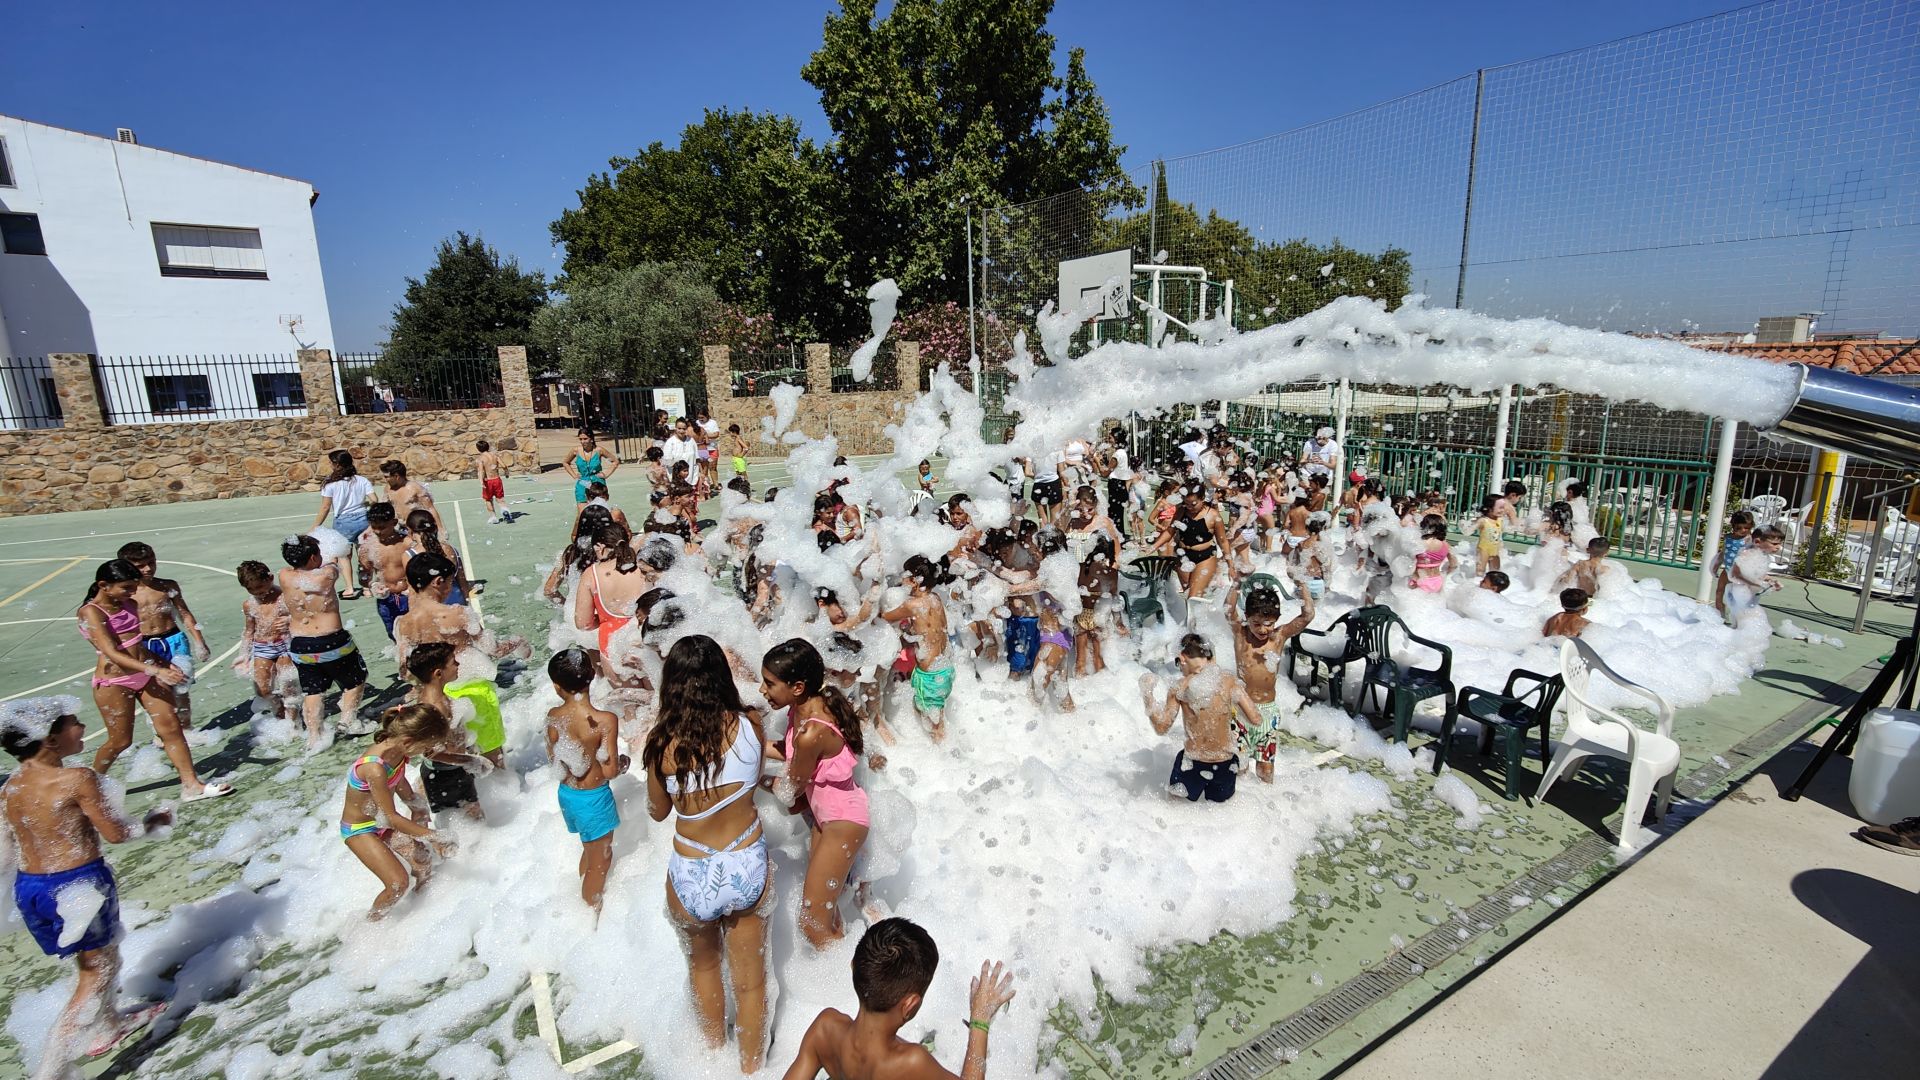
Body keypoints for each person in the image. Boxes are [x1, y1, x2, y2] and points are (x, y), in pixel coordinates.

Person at [1, 696, 174, 1068]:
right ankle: (52, 1071)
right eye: (74, 722)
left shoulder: (9, 788)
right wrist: (152, 822)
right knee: (97, 973)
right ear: (49, 739)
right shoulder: (76, 778)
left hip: (31, 889)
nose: (82, 727)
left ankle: (109, 1024)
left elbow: (5, 854)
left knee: (94, 962)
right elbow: (115, 833)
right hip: (77, 886)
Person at [643, 635, 771, 1073]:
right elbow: (752, 780)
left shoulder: (661, 744)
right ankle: (753, 1069)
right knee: (751, 985)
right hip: (746, 859)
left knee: (704, 969)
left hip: (691, 868)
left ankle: (711, 1060)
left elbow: (658, 813)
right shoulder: (751, 723)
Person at [780, 917, 1018, 1080]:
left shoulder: (825, 1029)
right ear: (910, 1004)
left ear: (853, 968)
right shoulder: (911, 1063)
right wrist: (980, 1020)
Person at [77, 561, 231, 801]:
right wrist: (156, 672)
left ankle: (191, 786)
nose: (132, 593)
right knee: (120, 741)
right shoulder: (91, 612)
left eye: (133, 587)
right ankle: (90, 784)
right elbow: (112, 652)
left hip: (146, 673)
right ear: (103, 586)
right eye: (126, 588)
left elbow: (136, 645)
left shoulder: (129, 603)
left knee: (171, 729)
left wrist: (162, 663)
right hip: (115, 682)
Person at [763, 639, 871, 949]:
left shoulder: (813, 731)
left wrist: (757, 780)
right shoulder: (801, 709)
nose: (762, 690)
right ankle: (844, 967)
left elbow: (791, 788)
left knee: (812, 923)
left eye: (770, 683)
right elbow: (789, 755)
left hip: (842, 822)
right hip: (827, 820)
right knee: (826, 913)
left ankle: (851, 985)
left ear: (797, 687)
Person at [338, 703, 457, 919]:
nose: (427, 752)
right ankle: (370, 927)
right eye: (426, 747)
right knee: (397, 884)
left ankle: (421, 912)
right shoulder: (373, 768)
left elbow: (400, 783)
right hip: (359, 829)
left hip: (379, 822)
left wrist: (415, 804)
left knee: (423, 860)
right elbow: (391, 818)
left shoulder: (399, 753)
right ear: (410, 742)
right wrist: (434, 836)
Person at [1140, 633, 1266, 803]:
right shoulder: (1229, 681)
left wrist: (1147, 694)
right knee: (1220, 817)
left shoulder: (1180, 687)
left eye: (1178, 663)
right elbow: (1256, 718)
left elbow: (1162, 728)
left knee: (1175, 811)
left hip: (1193, 763)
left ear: (1182, 657)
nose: (1180, 668)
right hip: (1226, 763)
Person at [546, 647, 626, 913]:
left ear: (557, 687)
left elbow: (554, 758)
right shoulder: (605, 720)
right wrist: (622, 764)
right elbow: (610, 771)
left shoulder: (553, 717)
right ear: (593, 675)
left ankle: (581, 893)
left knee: (589, 851)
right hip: (593, 798)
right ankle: (587, 916)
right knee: (600, 862)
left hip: (568, 795)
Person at [281, 534, 371, 750]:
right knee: (355, 680)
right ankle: (348, 720)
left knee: (313, 691)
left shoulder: (284, 575)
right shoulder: (326, 575)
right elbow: (333, 565)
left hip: (300, 644)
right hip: (331, 641)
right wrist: (332, 553)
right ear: (313, 558)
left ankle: (315, 736)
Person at [116, 542, 210, 730]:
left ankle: (186, 729)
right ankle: (162, 732)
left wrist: (199, 642)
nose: (148, 568)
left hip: (174, 640)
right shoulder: (127, 595)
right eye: (141, 565)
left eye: (151, 562)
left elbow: (184, 614)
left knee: (182, 687)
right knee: (158, 690)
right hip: (146, 645)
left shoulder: (167, 586)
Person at [1227, 587, 1313, 784]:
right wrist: (1237, 582)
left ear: (1277, 619)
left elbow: (1308, 615)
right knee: (1239, 768)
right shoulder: (1241, 635)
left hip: (1268, 713)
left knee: (1266, 771)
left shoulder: (1278, 637)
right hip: (1240, 712)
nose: (1262, 629)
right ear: (1246, 617)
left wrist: (1301, 584)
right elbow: (1228, 609)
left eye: (1268, 624)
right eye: (1256, 623)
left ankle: (1266, 804)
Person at [878, 556, 954, 742]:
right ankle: (941, 747)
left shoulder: (912, 605)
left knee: (934, 725)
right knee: (936, 714)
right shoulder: (935, 599)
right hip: (945, 669)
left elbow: (884, 616)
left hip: (929, 676)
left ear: (914, 580)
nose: (901, 578)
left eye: (905, 575)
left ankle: (941, 755)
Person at [236, 561, 296, 722]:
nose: (257, 593)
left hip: (285, 645)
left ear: (270, 578)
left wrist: (290, 620)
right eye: (251, 590)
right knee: (262, 689)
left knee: (288, 685)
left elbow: (303, 615)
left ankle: (292, 723)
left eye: (260, 587)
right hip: (262, 647)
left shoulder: (283, 597)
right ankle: (279, 710)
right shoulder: (249, 604)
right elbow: (249, 631)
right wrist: (244, 655)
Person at [311, 449, 373, 599]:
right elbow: (374, 499)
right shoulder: (362, 480)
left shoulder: (330, 484)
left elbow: (325, 507)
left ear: (337, 464)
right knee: (363, 555)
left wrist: (316, 526)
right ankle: (367, 588)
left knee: (344, 556)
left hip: (343, 522)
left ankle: (350, 588)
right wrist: (363, 503)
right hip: (363, 519)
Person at [358, 502, 412, 640]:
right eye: (374, 527)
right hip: (386, 599)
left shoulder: (407, 543)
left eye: (382, 527)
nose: (377, 531)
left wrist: (413, 587)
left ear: (394, 522)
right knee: (395, 635)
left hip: (411, 595)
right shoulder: (367, 548)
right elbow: (364, 576)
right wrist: (372, 585)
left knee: (418, 633)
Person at [1172, 486, 1230, 605]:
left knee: (1194, 597)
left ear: (1202, 498)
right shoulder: (1181, 511)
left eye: (1193, 504)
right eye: (1186, 504)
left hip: (1205, 557)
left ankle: (1201, 622)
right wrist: (1153, 547)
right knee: (1188, 594)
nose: (1189, 507)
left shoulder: (1213, 515)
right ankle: (1190, 623)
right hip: (1183, 556)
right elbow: (1169, 532)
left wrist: (1231, 565)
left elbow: (1223, 541)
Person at [406, 508, 475, 604]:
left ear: (410, 533)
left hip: (432, 606)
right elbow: (462, 581)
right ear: (435, 528)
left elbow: (412, 591)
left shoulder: (409, 555)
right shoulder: (451, 550)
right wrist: (467, 602)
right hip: (456, 600)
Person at [1725, 526, 1784, 621]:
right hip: (1737, 593)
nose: (1778, 547)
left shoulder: (1763, 556)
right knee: (1743, 620)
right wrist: (1759, 584)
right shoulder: (1747, 554)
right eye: (1774, 543)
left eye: (1779, 544)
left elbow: (1757, 574)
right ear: (1757, 542)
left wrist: (1771, 581)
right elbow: (1735, 574)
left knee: (1749, 620)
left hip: (1748, 594)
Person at [379, 459, 441, 532]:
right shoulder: (388, 488)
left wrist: (440, 529)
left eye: (386, 477)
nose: (385, 479)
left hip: (418, 527)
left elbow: (430, 508)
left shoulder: (415, 488)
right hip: (401, 527)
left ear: (396, 476)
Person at [1713, 510, 1756, 616]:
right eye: (1739, 528)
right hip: (1727, 570)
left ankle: (1740, 616)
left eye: (1746, 528)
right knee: (1719, 591)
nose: (1743, 530)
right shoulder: (1728, 537)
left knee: (1738, 596)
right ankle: (1720, 611)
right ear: (1733, 526)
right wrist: (1716, 566)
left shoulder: (1749, 539)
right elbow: (1723, 553)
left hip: (1740, 573)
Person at [567, 431, 619, 505]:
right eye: (580, 439)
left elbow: (615, 461)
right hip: (582, 482)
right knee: (582, 511)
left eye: (585, 439)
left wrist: (606, 474)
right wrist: (574, 475)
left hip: (598, 483)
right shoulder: (576, 450)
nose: (582, 441)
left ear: (591, 439)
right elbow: (565, 463)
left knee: (600, 509)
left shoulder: (599, 450)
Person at [1410, 517, 1453, 593]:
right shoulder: (1446, 545)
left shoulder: (1418, 543)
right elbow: (1454, 565)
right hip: (1437, 580)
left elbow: (1407, 563)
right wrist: (1446, 573)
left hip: (1419, 580)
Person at [475, 439, 508, 524]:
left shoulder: (480, 459)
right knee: (500, 499)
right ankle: (505, 511)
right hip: (497, 480)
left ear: (478, 449)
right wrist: (506, 473)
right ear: (488, 447)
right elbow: (504, 466)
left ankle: (493, 517)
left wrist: (481, 482)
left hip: (488, 481)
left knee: (488, 500)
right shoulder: (495, 455)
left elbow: (481, 471)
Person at [1473, 494, 1506, 575]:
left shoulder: (1500, 520)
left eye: (1503, 507)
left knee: (1495, 572)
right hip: (1483, 549)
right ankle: (1478, 584)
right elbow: (1469, 529)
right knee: (1480, 570)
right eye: (1500, 507)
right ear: (1489, 508)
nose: (1502, 510)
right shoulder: (1483, 521)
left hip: (1495, 550)